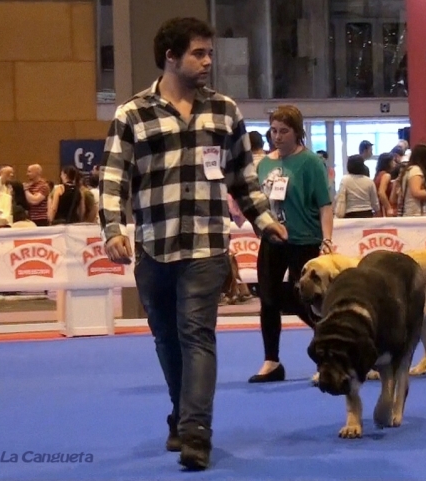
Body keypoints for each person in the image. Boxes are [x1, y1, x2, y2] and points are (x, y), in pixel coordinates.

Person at [99, 17, 286, 471]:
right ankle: (181, 414)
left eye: (209, 54)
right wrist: (112, 230)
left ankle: (197, 431)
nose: (208, 62)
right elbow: (111, 179)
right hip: (153, 248)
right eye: (199, 54)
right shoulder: (131, 114)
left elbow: (243, 176)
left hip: (207, 247)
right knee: (167, 339)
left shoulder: (225, 111)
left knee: (197, 335)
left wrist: (264, 220)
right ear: (170, 57)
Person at [249, 104, 333, 384]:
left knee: (305, 299)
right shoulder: (265, 164)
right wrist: (258, 225)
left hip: (305, 239)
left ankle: (329, 352)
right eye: (273, 130)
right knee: (268, 299)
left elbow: (324, 205)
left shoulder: (311, 163)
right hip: (273, 239)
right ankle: (271, 361)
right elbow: (260, 202)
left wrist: (327, 239)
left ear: (297, 132)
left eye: (284, 131)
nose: (277, 136)